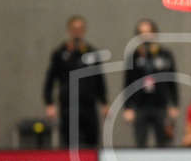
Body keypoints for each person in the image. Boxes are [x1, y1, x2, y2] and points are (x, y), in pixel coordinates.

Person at [43, 14, 109, 148]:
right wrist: (49, 102)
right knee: (70, 141)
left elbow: (99, 79)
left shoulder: (92, 52)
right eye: (74, 28)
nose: (77, 31)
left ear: (84, 30)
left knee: (92, 140)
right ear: (69, 30)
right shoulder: (60, 53)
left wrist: (104, 102)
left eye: (80, 28)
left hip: (89, 105)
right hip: (69, 105)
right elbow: (50, 80)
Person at [122, 19, 179, 147]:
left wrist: (174, 103)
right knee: (140, 142)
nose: (145, 36)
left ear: (154, 33)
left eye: (148, 32)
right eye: (142, 33)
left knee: (163, 142)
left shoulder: (165, 55)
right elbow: (127, 83)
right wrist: (128, 108)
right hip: (140, 106)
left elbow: (172, 81)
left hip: (160, 105)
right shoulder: (134, 57)